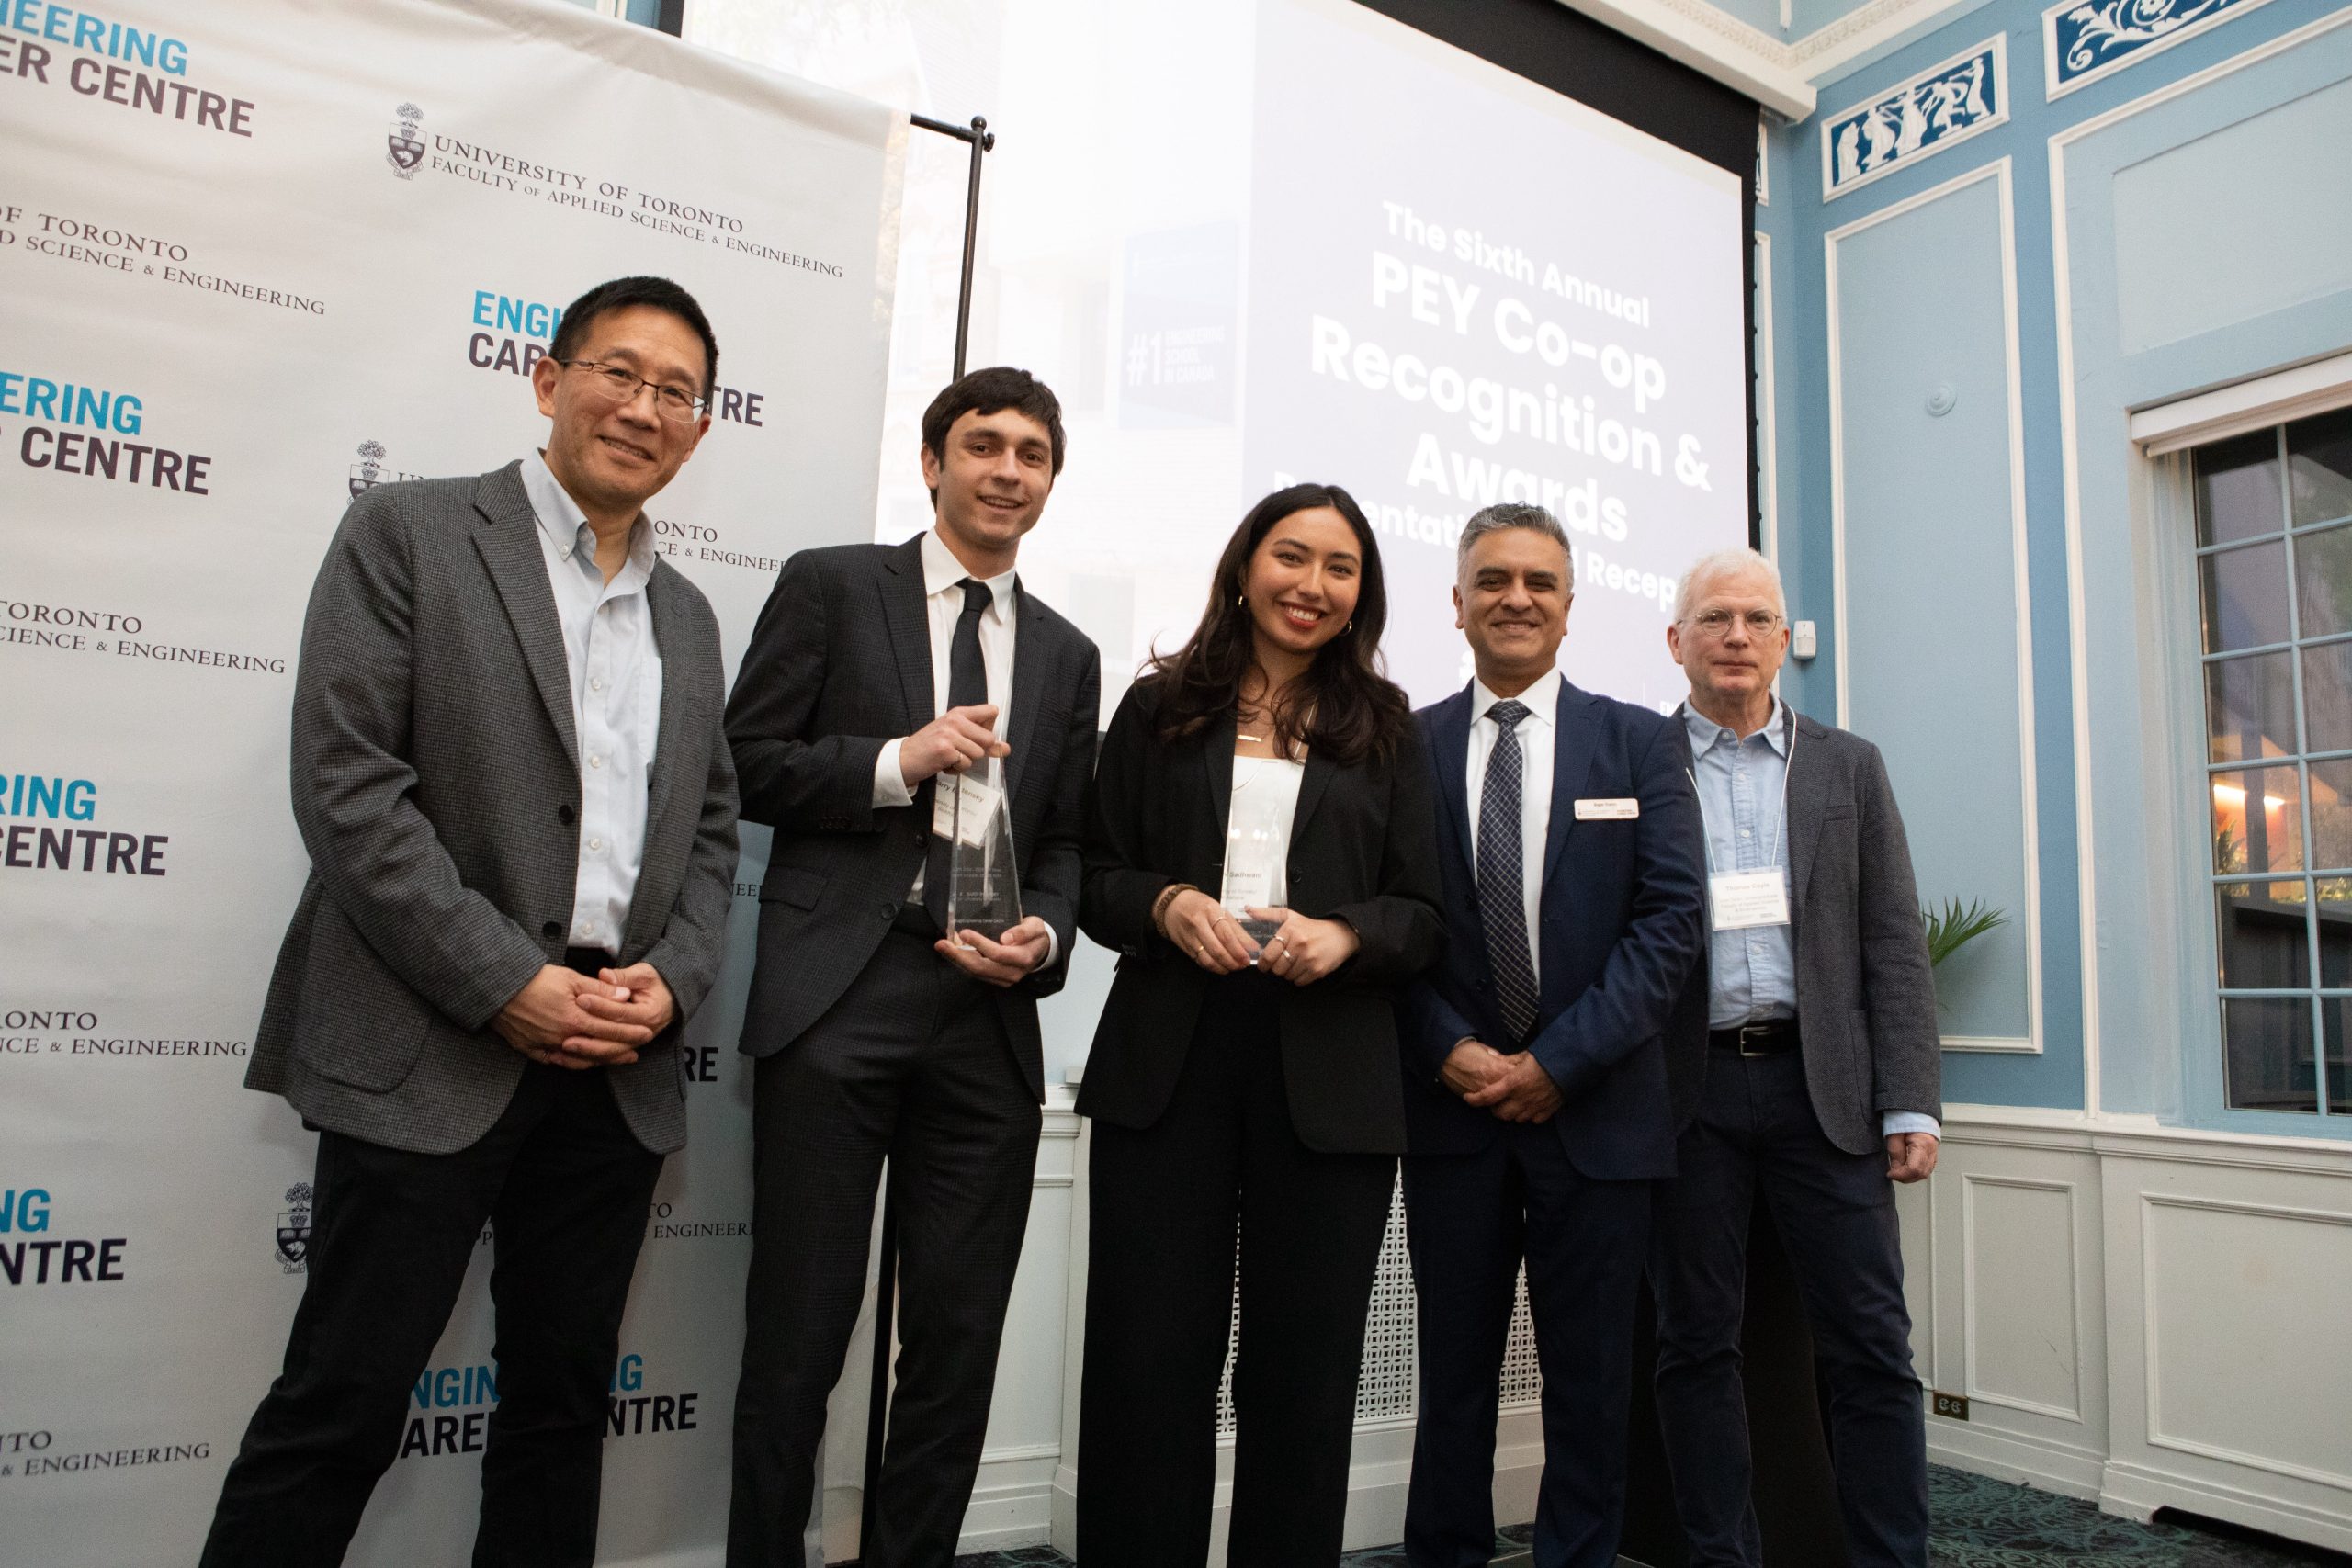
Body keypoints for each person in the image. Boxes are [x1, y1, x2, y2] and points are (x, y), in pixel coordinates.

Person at [202, 276, 741, 1568]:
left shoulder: (690, 613)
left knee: (559, 1415)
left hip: (616, 1061)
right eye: (620, 370)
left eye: (679, 391)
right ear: (548, 382)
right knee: (341, 1403)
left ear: (702, 427)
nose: (646, 406)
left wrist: (670, 978)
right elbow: (349, 788)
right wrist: (508, 979)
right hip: (430, 1044)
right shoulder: (411, 534)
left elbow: (712, 833)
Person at [723, 367, 1101, 1568]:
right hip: (843, 989)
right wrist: (899, 755)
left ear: (1048, 480)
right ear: (935, 462)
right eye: (983, 444)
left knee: (955, 1337)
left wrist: (1043, 930)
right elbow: (749, 763)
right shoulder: (835, 584)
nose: (1007, 468)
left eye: (1031, 452)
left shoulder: (1067, 651)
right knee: (799, 1333)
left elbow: (1069, 842)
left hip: (984, 1016)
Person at [1074, 481, 1443, 1568]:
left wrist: (1344, 938)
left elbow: (1423, 917)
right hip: (1167, 1066)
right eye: (1292, 557)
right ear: (1244, 566)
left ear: (1360, 595)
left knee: (1304, 1373)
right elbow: (1089, 874)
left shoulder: (1388, 732)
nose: (1312, 585)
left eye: (1341, 568)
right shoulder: (1156, 710)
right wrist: (1160, 902)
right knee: (1148, 1363)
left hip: (1329, 1079)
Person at [1398, 503, 1707, 1568]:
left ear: (1570, 607)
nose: (1515, 598)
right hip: (1454, 1114)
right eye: (1492, 580)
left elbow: (1671, 926)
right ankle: (1443, 1552)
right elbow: (1386, 925)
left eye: (1538, 581)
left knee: (1591, 1382)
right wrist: (1446, 1048)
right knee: (1454, 1377)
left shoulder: (1640, 741)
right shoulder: (1405, 745)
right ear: (1457, 604)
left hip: (1601, 1119)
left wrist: (1556, 1064)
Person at [1648, 546, 1940, 1568]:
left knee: (1870, 1350)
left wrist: (1910, 1100)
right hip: (1685, 1096)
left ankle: (1888, 1559)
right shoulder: (1635, 763)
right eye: (1715, 617)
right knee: (1693, 1347)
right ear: (1675, 640)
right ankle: (1721, 1556)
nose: (1736, 636)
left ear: (1784, 643)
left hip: (1827, 1095)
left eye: (1757, 619)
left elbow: (1892, 941)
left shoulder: (1848, 766)